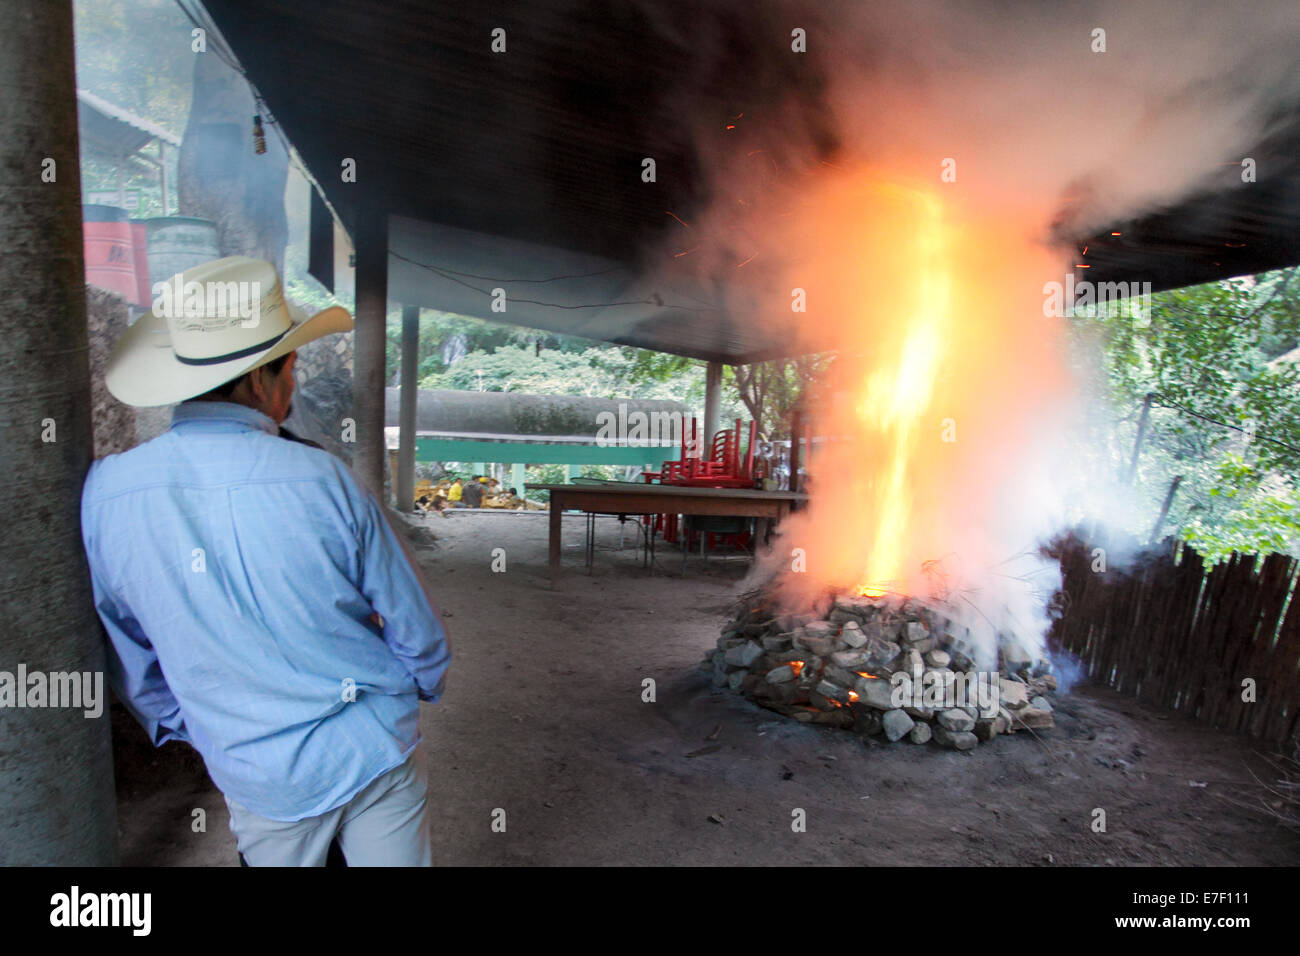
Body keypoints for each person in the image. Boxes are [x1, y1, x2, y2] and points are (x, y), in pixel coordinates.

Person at [82, 257, 451, 866]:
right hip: (370, 745)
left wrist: (202, 728)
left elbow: (130, 656)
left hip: (254, 770)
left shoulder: (107, 492)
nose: (293, 389)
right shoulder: (325, 479)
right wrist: (418, 688)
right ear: (260, 381)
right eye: (291, 371)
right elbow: (417, 630)